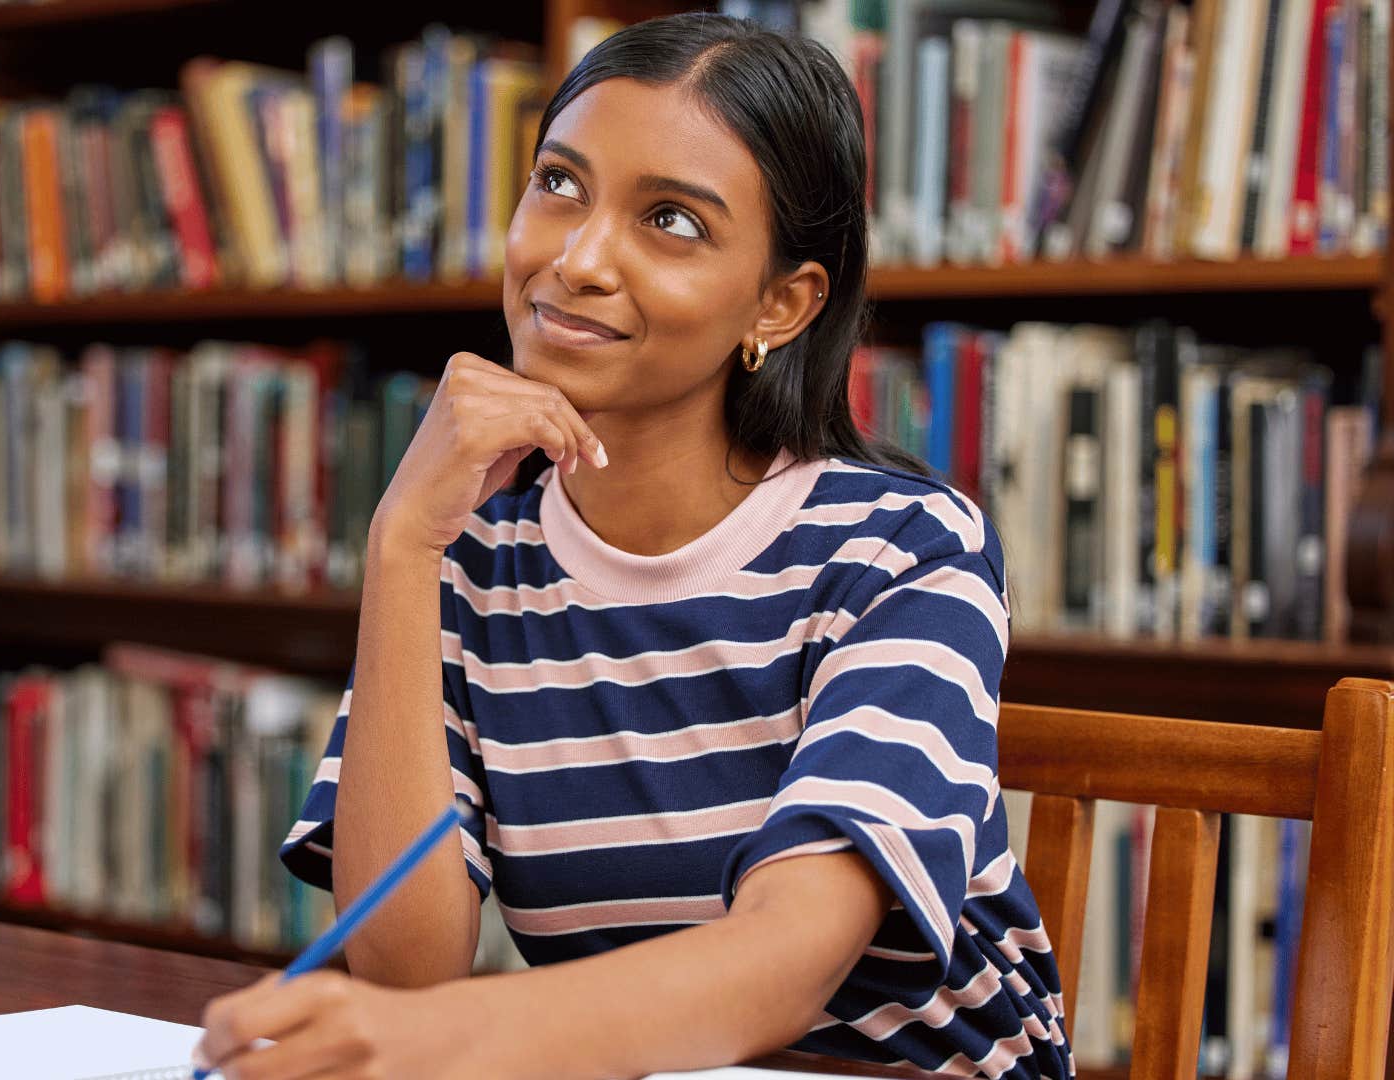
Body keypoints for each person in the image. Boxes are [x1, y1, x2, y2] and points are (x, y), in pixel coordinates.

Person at [195, 12, 1069, 1079]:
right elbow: (404, 966)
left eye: (671, 221)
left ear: (782, 304)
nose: (577, 258)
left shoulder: (906, 552)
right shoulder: (477, 559)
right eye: (559, 183)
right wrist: (400, 547)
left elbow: (788, 961)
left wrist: (450, 1039)